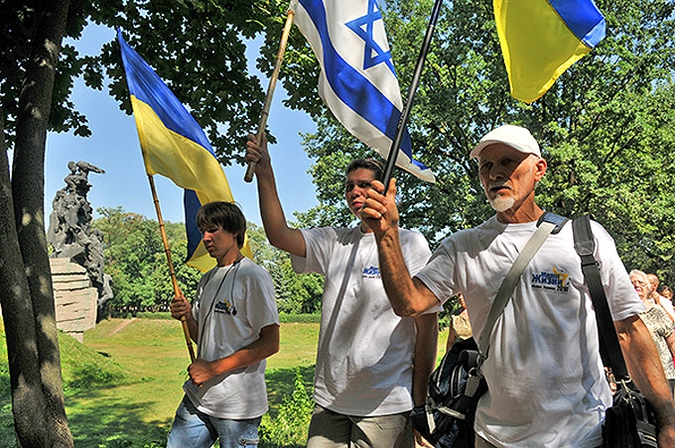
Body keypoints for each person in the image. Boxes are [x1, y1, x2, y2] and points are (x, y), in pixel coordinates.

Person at [361, 124, 675, 447]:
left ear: (539, 169)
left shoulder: (585, 239)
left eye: (507, 162)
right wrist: (387, 234)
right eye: (486, 166)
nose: (495, 173)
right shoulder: (463, 247)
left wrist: (668, 419)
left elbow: (630, 332)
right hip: (495, 437)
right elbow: (408, 303)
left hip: (583, 436)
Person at [245, 134, 439, 448]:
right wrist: (265, 171)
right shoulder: (334, 240)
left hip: (386, 404)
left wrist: (419, 398)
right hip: (330, 400)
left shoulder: (410, 243)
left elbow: (427, 326)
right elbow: (279, 235)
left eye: (363, 184)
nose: (354, 191)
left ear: (385, 189)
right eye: (349, 186)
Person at [167, 201, 280, 448]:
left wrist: (212, 368)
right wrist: (186, 316)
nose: (205, 238)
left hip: (237, 407)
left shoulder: (253, 276)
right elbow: (203, 338)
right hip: (199, 399)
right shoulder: (206, 279)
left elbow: (271, 343)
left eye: (213, 230)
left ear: (234, 232)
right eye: (202, 231)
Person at [631, 270, 675, 398]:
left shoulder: (658, 311)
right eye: (632, 283)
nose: (637, 286)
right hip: (637, 377)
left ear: (649, 288)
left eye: (641, 283)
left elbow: (672, 341)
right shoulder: (622, 314)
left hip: (665, 374)